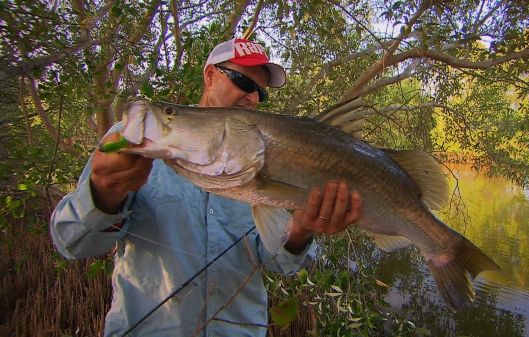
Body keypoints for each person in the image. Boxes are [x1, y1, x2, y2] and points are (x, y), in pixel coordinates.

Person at [50, 38, 363, 337]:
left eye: (261, 93)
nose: (253, 98)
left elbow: (278, 263)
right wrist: (104, 192)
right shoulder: (136, 138)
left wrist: (300, 232)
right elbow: (71, 243)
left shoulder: (258, 152)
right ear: (210, 75)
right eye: (244, 82)